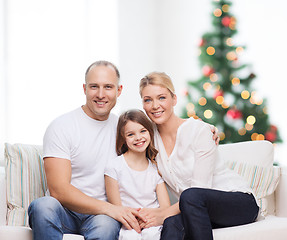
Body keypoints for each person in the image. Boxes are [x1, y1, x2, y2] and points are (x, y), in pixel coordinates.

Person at [28, 61, 145, 240]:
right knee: (42, 206)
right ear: (84, 88)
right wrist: (112, 209)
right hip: (65, 212)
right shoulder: (62, 126)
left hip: (101, 218)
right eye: (94, 87)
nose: (100, 94)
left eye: (108, 87)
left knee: (105, 227)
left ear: (119, 90)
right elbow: (59, 190)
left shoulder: (124, 129)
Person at [137, 72, 260, 240]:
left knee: (191, 195)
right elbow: (126, 129)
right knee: (171, 224)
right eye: (148, 100)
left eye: (161, 98)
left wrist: (162, 214)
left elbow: (199, 189)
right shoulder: (149, 139)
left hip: (239, 202)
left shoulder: (198, 131)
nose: (155, 105)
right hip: (195, 210)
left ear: (174, 99)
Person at [105, 109, 171, 240]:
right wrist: (134, 220)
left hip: (152, 222)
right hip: (127, 223)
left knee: (152, 234)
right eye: (130, 134)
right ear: (123, 138)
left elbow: (165, 208)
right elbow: (117, 208)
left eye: (143, 131)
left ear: (150, 132)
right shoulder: (114, 167)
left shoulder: (155, 169)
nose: (138, 138)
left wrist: (149, 218)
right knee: (130, 236)